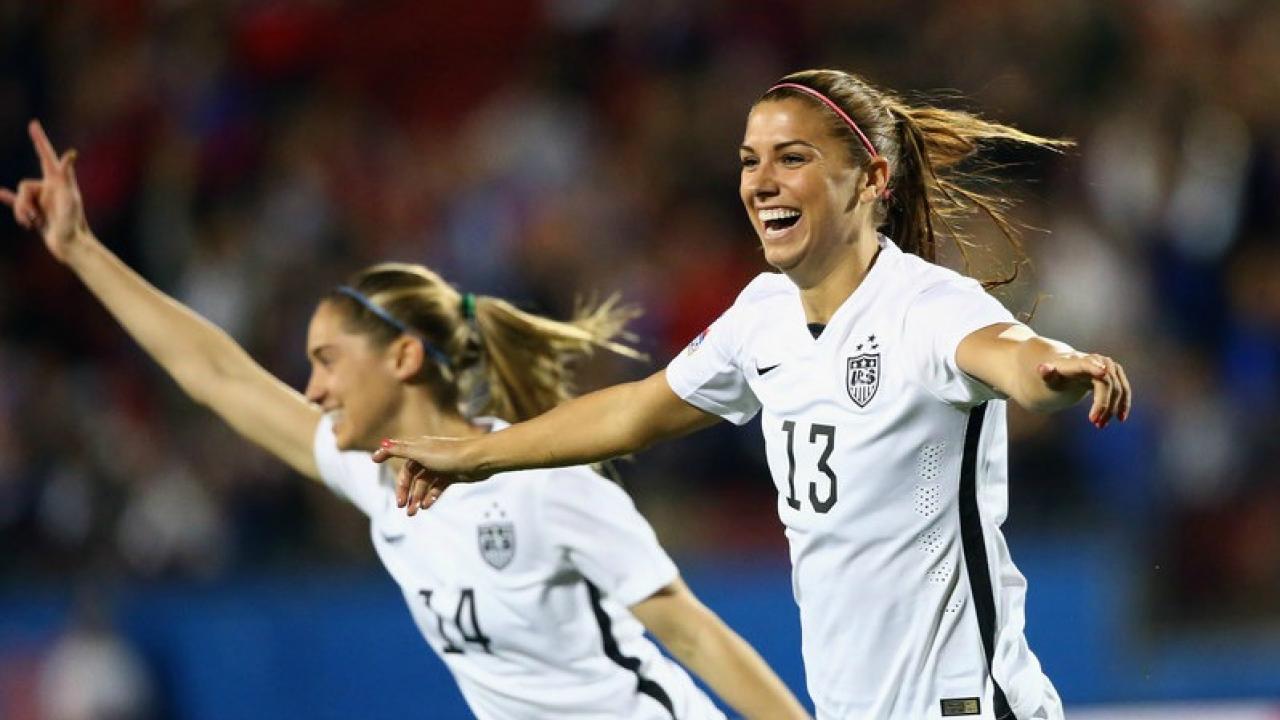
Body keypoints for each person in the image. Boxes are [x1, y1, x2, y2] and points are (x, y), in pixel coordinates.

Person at [374, 69, 1133, 720]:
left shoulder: (925, 307)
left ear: (871, 180)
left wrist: (1060, 369)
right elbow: (635, 411)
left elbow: (1012, 358)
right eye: (749, 160)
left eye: (792, 158)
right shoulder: (762, 316)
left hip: (961, 703)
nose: (760, 181)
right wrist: (480, 455)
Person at [1, 120, 810, 720]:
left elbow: (695, 637)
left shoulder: (540, 479)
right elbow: (216, 374)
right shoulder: (377, 474)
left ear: (403, 359)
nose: (312, 391)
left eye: (327, 361)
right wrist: (80, 251)